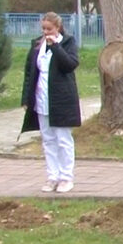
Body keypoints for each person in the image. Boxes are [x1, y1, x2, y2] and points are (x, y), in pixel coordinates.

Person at [20, 12, 81, 193]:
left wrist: (55, 46)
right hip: (41, 97)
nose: (46, 32)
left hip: (61, 99)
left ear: (58, 28)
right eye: (44, 29)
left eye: (50, 29)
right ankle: (52, 176)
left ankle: (66, 177)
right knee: (48, 140)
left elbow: (69, 65)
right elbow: (29, 72)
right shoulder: (37, 44)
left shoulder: (67, 42)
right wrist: (26, 98)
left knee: (63, 139)